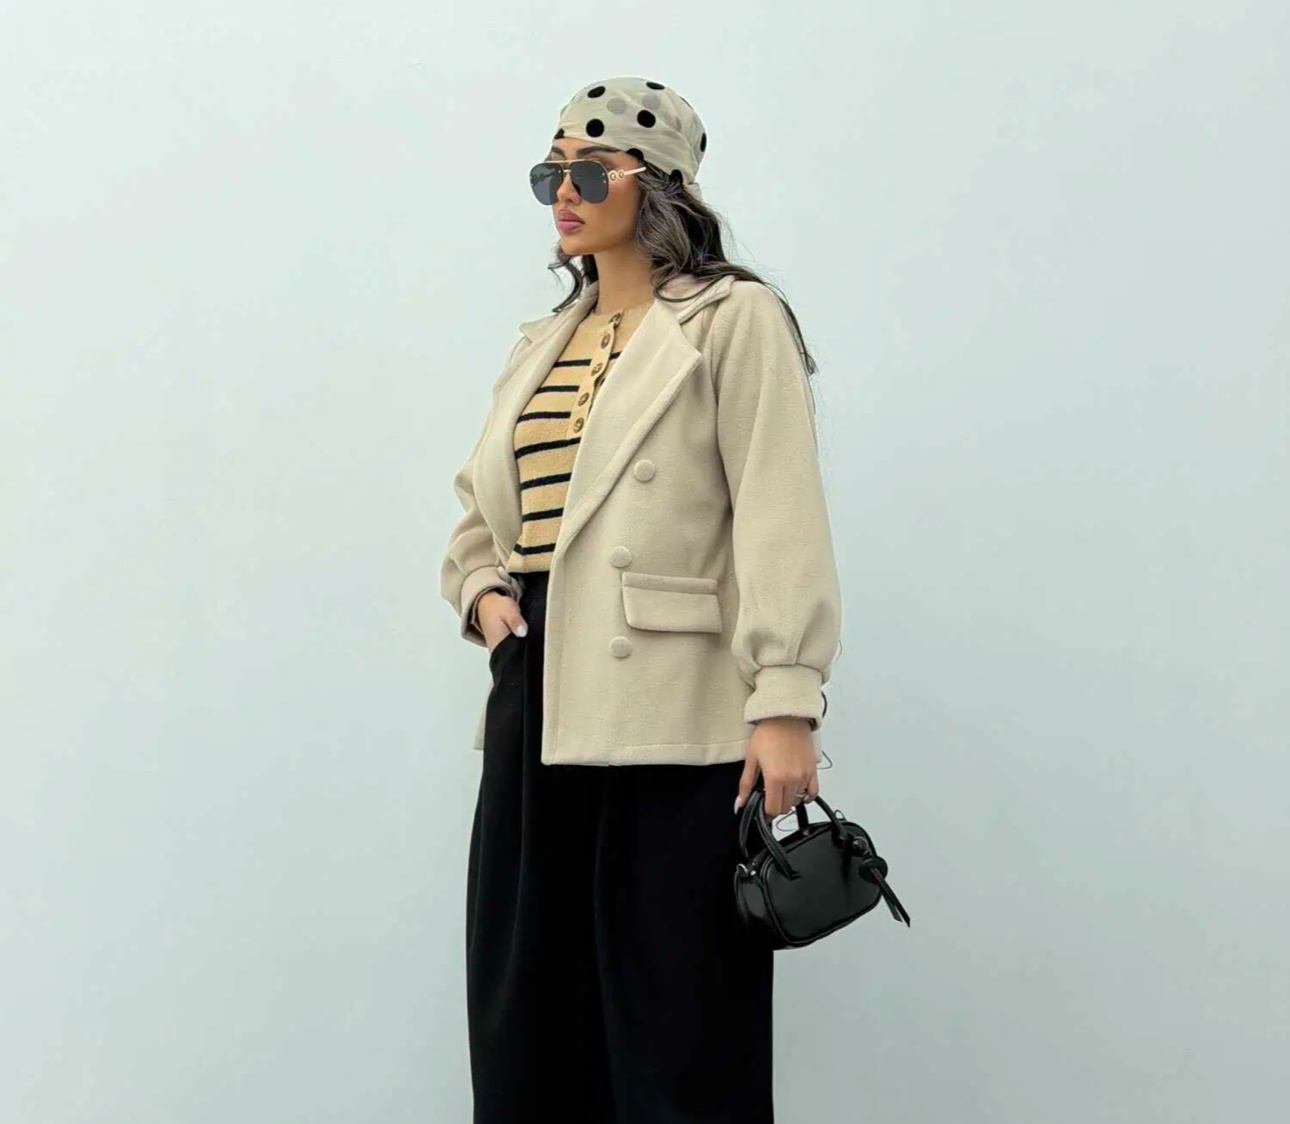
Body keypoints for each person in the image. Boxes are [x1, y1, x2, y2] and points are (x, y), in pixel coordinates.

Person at [440, 75, 843, 1124]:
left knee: (679, 1022)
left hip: (675, 709)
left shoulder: (732, 318)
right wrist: (485, 598)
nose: (563, 195)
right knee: (528, 1014)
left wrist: (786, 697)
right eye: (550, 175)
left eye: (589, 171)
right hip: (535, 696)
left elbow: (779, 510)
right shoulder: (542, 341)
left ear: (658, 183)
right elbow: (483, 510)